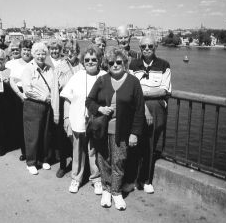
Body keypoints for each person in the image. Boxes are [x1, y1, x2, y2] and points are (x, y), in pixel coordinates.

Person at [86, 49, 145, 210]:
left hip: (123, 131)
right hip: (103, 130)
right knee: (103, 160)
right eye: (111, 63)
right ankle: (106, 189)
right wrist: (100, 109)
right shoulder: (102, 80)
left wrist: (135, 133)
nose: (115, 65)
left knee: (119, 161)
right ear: (107, 64)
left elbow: (139, 110)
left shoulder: (133, 82)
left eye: (119, 62)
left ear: (125, 63)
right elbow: (89, 101)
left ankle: (116, 191)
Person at [129, 36, 172, 194]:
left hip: (155, 108)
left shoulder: (164, 65)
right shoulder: (133, 65)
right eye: (144, 46)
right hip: (139, 108)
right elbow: (131, 89)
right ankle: (133, 178)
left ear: (156, 47)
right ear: (140, 48)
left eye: (150, 46)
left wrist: (143, 93)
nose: (147, 49)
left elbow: (164, 90)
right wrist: (143, 96)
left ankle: (146, 179)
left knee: (149, 143)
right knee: (134, 144)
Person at [60, 45, 105, 194]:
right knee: (77, 151)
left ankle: (96, 178)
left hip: (96, 121)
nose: (90, 62)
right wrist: (66, 118)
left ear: (99, 60)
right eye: (87, 59)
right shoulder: (77, 75)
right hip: (77, 119)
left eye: (94, 59)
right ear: (83, 61)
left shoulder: (105, 76)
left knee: (94, 150)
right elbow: (67, 98)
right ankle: (76, 178)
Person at [21, 42, 59, 175]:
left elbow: (55, 88)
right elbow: (27, 90)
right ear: (33, 54)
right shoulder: (28, 68)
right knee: (33, 134)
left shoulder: (50, 69)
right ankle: (31, 162)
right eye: (38, 53)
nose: (41, 56)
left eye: (43, 53)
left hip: (48, 105)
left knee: (46, 133)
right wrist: (44, 97)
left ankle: (44, 159)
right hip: (33, 105)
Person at [53, 38, 83, 178]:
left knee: (77, 134)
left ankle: (79, 164)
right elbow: (55, 90)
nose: (70, 54)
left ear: (77, 52)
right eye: (67, 51)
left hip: (77, 104)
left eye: (73, 51)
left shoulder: (81, 66)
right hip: (63, 102)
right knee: (62, 136)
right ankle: (63, 165)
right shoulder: (59, 67)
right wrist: (56, 111)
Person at [6, 39, 33, 161]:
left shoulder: (34, 63)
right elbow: (10, 79)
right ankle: (24, 150)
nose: (26, 52)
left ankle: (31, 150)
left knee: (30, 125)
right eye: (24, 50)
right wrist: (20, 94)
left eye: (29, 50)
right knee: (19, 124)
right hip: (16, 94)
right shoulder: (13, 63)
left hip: (31, 94)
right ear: (21, 50)